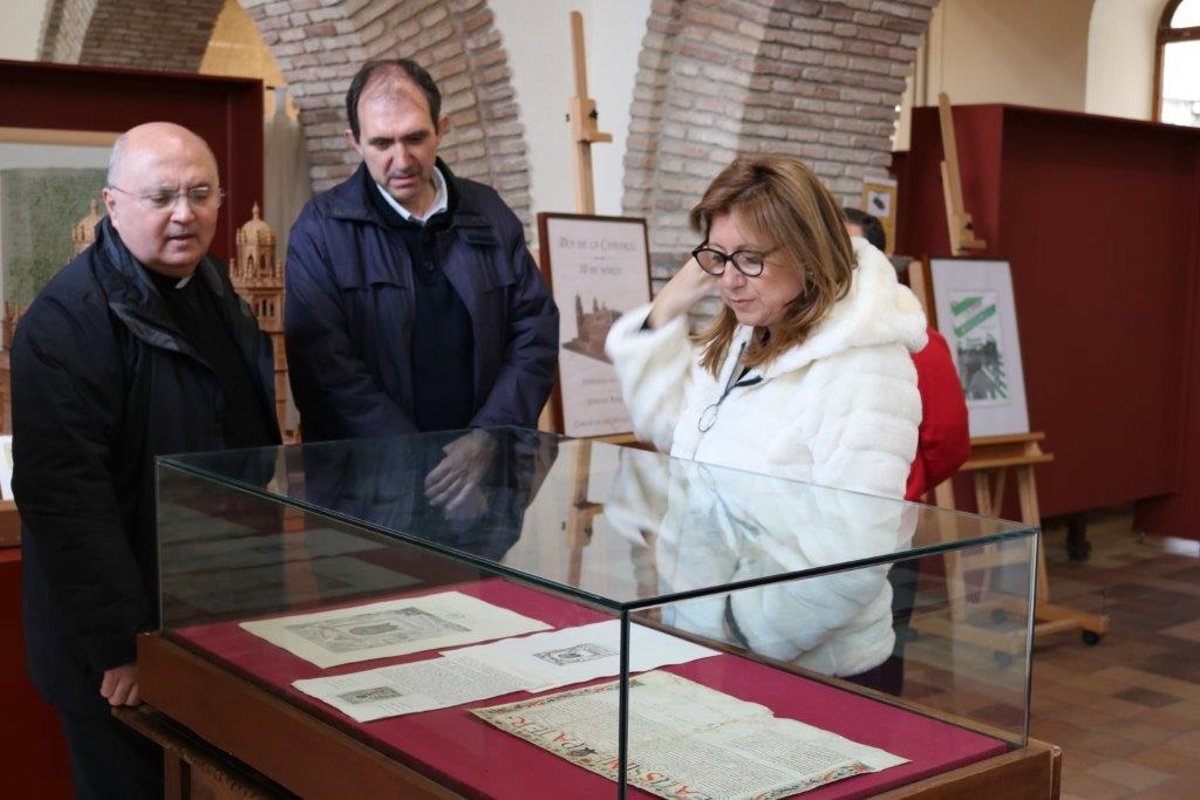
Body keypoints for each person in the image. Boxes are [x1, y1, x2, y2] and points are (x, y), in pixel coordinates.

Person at [11, 122, 281, 799]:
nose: (184, 214)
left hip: (212, 620)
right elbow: (67, 502)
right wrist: (124, 645)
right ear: (113, 204)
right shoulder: (64, 322)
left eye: (200, 194)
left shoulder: (215, 290)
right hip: (121, 654)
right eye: (161, 197)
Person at [607, 155, 927, 499]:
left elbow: (858, 525)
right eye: (719, 256)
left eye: (750, 259)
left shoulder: (862, 367)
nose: (729, 280)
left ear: (807, 254)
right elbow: (666, 428)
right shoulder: (747, 337)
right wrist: (668, 303)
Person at [285, 58, 559, 443]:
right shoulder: (320, 231)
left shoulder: (489, 213)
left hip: (489, 464)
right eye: (382, 143)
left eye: (415, 138)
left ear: (440, 129)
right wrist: (412, 458)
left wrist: (489, 437)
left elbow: (534, 333)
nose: (402, 161)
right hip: (371, 472)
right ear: (355, 142)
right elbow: (325, 369)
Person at [843, 206, 969, 500]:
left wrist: (903, 486)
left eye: (849, 255)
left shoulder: (916, 340)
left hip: (885, 513)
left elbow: (949, 443)